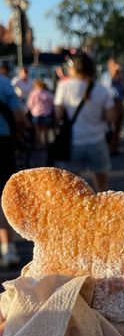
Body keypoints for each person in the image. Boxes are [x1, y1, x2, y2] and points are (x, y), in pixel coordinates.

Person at [54, 53, 115, 191]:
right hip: (97, 141)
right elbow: (111, 116)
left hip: (74, 143)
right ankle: (102, 211)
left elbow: (58, 114)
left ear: (74, 68)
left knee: (73, 188)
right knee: (102, 187)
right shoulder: (102, 89)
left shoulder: (64, 86)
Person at [0, 71, 27, 268]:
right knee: (2, 194)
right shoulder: (4, 84)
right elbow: (18, 117)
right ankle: (7, 248)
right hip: (2, 142)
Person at [26, 79, 54, 148]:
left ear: (36, 85)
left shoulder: (33, 93)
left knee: (37, 131)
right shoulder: (48, 93)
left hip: (36, 113)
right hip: (47, 113)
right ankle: (46, 144)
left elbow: (29, 104)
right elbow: (52, 103)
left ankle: (38, 145)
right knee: (46, 130)